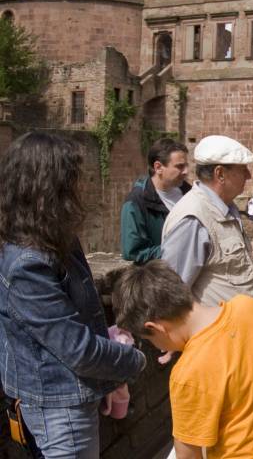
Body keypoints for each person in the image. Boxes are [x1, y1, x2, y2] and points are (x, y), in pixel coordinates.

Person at [0, 132, 146, 458]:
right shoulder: (27, 261)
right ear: (50, 187)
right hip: (58, 406)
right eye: (74, 178)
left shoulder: (55, 237)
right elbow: (76, 349)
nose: (83, 185)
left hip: (68, 396)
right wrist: (134, 360)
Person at [113, 260, 253, 459]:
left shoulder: (187, 375)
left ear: (156, 328)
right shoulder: (250, 307)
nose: (157, 347)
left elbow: (188, 455)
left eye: (150, 340)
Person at [161, 135, 253, 305]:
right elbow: (170, 296)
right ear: (220, 174)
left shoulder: (225, 208)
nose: (249, 175)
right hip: (218, 331)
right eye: (243, 169)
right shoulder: (193, 220)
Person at [120, 138, 190, 263]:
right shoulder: (136, 202)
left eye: (186, 165)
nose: (186, 171)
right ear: (158, 167)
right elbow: (132, 252)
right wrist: (175, 249)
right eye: (180, 166)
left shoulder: (188, 192)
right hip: (160, 277)